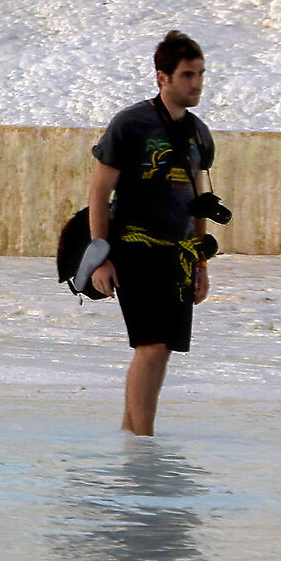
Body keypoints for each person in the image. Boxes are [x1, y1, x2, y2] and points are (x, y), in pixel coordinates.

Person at [86, 31, 218, 437]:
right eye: (187, 74)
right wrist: (100, 256)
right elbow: (98, 191)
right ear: (163, 77)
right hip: (133, 248)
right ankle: (145, 443)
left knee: (164, 351)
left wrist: (201, 261)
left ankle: (132, 438)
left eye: (200, 74)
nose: (196, 83)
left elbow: (201, 199)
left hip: (178, 254)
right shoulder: (131, 124)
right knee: (152, 345)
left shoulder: (199, 133)